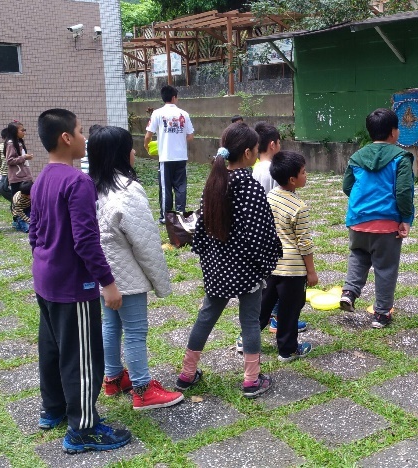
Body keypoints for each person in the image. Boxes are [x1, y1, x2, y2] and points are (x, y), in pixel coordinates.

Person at [30, 109, 131, 453]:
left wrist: (41, 257)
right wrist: (108, 283)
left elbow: (35, 230)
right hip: (74, 286)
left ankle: (54, 410)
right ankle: (83, 429)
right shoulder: (78, 182)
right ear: (66, 138)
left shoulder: (43, 177)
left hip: (45, 279)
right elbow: (86, 241)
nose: (85, 137)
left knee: (53, 349)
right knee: (83, 357)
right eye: (80, 130)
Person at [175, 123, 282, 399]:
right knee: (249, 320)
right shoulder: (250, 186)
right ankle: (251, 380)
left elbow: (200, 230)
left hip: (217, 267)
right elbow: (261, 234)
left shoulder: (213, 182)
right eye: (256, 150)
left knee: (206, 315)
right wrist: (267, 263)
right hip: (246, 269)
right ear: (248, 153)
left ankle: (187, 373)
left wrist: (210, 261)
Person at [87, 126, 183, 411]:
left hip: (104, 275)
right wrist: (161, 283)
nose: (134, 152)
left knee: (111, 326)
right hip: (126, 275)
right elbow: (145, 242)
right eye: (130, 147)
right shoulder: (127, 191)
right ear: (119, 154)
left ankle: (113, 377)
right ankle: (142, 388)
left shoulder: (93, 186)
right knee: (136, 330)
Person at [339, 108, 415, 329]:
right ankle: (381, 314)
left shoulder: (356, 157)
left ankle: (349, 292)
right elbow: (403, 192)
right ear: (394, 132)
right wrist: (406, 218)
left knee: (358, 255)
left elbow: (347, 187)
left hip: (358, 221)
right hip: (386, 224)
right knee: (386, 267)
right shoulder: (401, 158)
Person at [259, 150, 317, 362]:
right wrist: (311, 271)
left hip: (270, 265)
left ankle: (245, 340)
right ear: (292, 179)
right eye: (303, 172)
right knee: (290, 310)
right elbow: (304, 242)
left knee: (263, 306)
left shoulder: (269, 197)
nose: (306, 175)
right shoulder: (299, 207)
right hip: (293, 270)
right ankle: (287, 350)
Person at [251, 121, 308, 335]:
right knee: (280, 291)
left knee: (269, 290)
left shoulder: (256, 168)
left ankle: (266, 323)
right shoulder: (274, 172)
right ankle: (278, 322)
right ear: (274, 144)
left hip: (263, 239)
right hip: (279, 242)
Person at [144, 85, 194, 223]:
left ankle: (166, 216)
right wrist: (178, 137)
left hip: (165, 157)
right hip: (181, 156)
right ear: (174, 97)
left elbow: (148, 135)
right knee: (181, 187)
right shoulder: (184, 114)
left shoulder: (157, 113)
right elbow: (190, 136)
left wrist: (146, 146)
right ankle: (180, 214)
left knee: (165, 188)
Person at [4, 121, 34, 227]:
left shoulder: (19, 142)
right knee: (18, 201)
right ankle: (18, 222)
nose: (24, 132)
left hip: (25, 175)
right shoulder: (11, 144)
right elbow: (10, 160)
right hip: (17, 177)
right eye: (22, 130)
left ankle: (28, 219)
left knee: (28, 200)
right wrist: (24, 157)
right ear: (14, 131)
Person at [252, 121, 281, 193]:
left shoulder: (256, 168)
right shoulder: (276, 170)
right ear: (272, 145)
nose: (280, 146)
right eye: (279, 143)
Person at [0, 129, 12, 203]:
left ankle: (17, 204)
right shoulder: (0, 146)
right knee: (1, 188)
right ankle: (15, 201)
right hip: (3, 172)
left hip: (13, 172)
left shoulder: (14, 145)